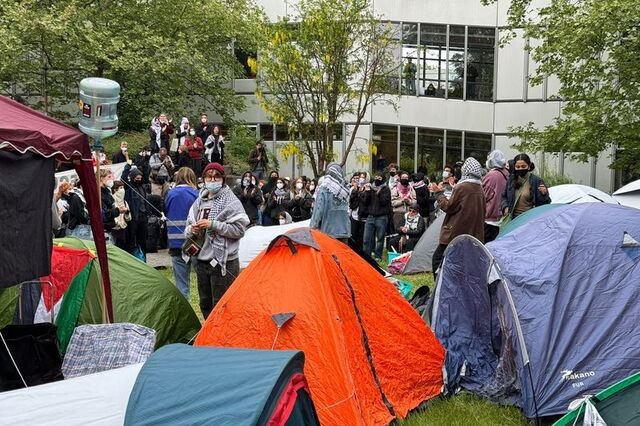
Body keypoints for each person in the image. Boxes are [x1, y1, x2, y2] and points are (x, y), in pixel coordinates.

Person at [185, 162, 249, 319]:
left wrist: (214, 224)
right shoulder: (198, 202)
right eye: (209, 176)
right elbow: (187, 228)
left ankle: (222, 340)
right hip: (202, 261)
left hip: (223, 262)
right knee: (205, 304)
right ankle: (209, 337)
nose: (212, 180)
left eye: (216, 177)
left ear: (223, 179)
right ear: (204, 178)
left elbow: (240, 230)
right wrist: (192, 230)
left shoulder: (231, 201)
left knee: (223, 307)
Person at [432, 158, 486, 277]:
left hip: (455, 233)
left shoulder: (462, 187)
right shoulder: (480, 189)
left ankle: (439, 288)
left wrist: (438, 194)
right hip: (473, 235)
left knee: (438, 259)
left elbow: (449, 207)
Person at [165, 167, 199, 300]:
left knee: (181, 284)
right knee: (202, 281)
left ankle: (184, 309)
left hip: (175, 243)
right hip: (194, 242)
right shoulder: (197, 194)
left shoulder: (170, 194)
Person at [501, 153, 551, 227]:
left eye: (523, 166)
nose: (520, 168)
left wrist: (544, 194)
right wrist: (505, 207)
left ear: (529, 166)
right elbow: (504, 196)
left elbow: (545, 204)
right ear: (514, 167)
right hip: (512, 220)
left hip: (529, 220)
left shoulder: (536, 181)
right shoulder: (511, 180)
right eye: (518, 167)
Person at [310, 162, 351, 243]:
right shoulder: (345, 189)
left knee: (330, 255)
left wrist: (312, 228)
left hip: (328, 231)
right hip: (344, 231)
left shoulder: (323, 189)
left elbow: (318, 210)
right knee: (342, 254)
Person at [361, 171, 392, 261]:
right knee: (366, 238)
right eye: (376, 176)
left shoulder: (386, 189)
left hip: (381, 217)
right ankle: (366, 256)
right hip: (370, 217)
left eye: (380, 177)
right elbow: (365, 202)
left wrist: (379, 194)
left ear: (383, 178)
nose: (377, 178)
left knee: (380, 239)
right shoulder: (370, 187)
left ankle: (378, 256)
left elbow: (385, 202)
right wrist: (367, 192)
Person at [121, 163, 149, 256]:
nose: (139, 180)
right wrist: (127, 166)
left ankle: (143, 258)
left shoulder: (143, 187)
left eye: (140, 178)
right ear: (132, 177)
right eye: (137, 178)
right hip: (134, 218)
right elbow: (123, 179)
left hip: (143, 216)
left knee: (143, 241)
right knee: (132, 241)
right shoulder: (129, 187)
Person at [482, 150, 509, 243]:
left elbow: (484, 196)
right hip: (502, 217)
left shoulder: (491, 175)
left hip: (490, 219)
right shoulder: (506, 173)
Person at [99, 169, 123, 240]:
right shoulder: (98, 192)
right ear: (101, 178)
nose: (112, 179)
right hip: (103, 228)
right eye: (109, 177)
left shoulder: (107, 191)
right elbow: (103, 213)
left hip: (110, 226)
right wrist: (117, 211)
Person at [349, 172, 368, 251]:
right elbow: (351, 200)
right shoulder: (353, 189)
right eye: (360, 177)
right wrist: (356, 190)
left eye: (363, 177)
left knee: (361, 236)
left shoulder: (367, 189)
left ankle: (360, 251)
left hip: (363, 216)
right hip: (354, 215)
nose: (361, 179)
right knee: (353, 234)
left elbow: (366, 201)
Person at [111, 181, 131, 250]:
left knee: (122, 248)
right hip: (114, 229)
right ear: (115, 189)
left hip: (122, 229)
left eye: (123, 188)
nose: (122, 190)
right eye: (120, 188)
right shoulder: (111, 200)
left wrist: (127, 212)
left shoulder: (125, 202)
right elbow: (111, 214)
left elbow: (128, 218)